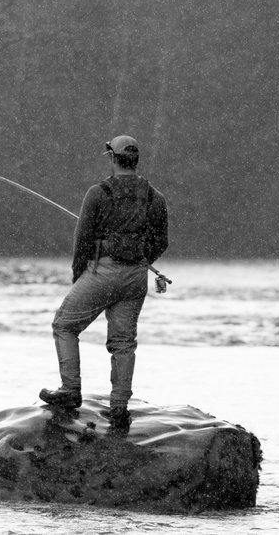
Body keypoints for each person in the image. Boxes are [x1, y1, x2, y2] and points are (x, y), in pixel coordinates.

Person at [39, 135, 169, 433]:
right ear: (135, 160)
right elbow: (162, 241)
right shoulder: (155, 197)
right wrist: (141, 259)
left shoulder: (97, 193)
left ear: (112, 158)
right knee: (123, 343)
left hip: (103, 273)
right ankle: (120, 408)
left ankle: (70, 391)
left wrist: (78, 275)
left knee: (64, 325)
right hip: (137, 276)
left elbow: (82, 239)